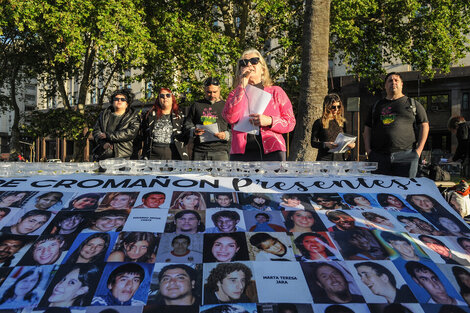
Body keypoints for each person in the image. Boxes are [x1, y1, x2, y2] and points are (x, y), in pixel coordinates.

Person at [223, 48, 296, 161]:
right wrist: (241, 87)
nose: (248, 64)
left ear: (262, 69)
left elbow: (290, 122)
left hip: (272, 151)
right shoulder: (235, 93)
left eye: (254, 61)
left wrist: (270, 121)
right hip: (241, 153)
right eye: (243, 63)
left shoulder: (276, 92)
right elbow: (230, 118)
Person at [363, 72, 429, 178]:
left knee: (406, 191)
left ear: (402, 84)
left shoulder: (413, 104)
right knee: (381, 191)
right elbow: (367, 129)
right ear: (385, 86)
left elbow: (424, 126)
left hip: (406, 156)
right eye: (390, 80)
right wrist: (369, 151)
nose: (393, 82)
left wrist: (418, 151)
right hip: (379, 157)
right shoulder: (376, 106)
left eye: (396, 80)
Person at [184, 77, 230, 161]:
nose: (212, 95)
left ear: (219, 89)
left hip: (220, 151)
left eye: (215, 92)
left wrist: (226, 135)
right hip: (200, 151)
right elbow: (187, 124)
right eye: (209, 92)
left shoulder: (226, 105)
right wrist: (193, 131)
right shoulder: (196, 105)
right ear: (204, 90)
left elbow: (234, 127)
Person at [92, 88, 141, 161]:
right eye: (116, 99)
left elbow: (131, 133)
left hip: (126, 156)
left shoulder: (133, 116)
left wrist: (108, 135)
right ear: (112, 102)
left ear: (127, 104)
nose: (119, 101)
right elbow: (96, 131)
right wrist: (103, 143)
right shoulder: (103, 116)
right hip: (105, 156)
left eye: (123, 99)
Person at [141, 87, 188, 160]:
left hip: (174, 152)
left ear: (172, 98)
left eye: (168, 95)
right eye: (162, 96)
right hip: (153, 153)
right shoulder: (150, 115)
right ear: (158, 99)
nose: (165, 98)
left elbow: (186, 134)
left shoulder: (180, 116)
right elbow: (143, 134)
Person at [311, 93, 355, 161]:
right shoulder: (319, 122)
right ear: (327, 107)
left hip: (340, 159)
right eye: (333, 107)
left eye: (338, 106)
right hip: (324, 159)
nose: (336, 109)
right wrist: (325, 144)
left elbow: (347, 138)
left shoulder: (342, 122)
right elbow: (313, 143)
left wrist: (351, 145)